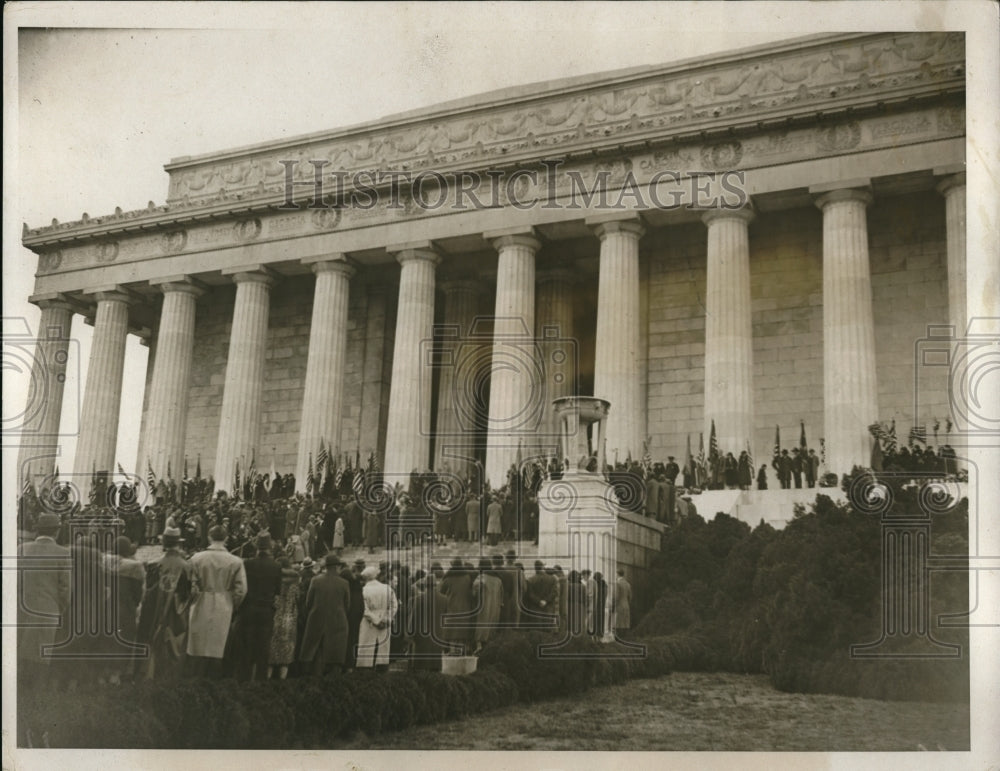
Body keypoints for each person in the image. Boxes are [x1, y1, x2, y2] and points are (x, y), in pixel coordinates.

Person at [17, 513, 70, 692]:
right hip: (48, 609)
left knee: (22, 648)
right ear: (57, 531)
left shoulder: (22, 548)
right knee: (41, 653)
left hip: (22, 607)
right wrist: (59, 608)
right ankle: (37, 696)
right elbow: (65, 589)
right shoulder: (63, 553)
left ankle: (20, 693)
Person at [187, 524, 248, 678]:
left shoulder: (196, 558)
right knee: (218, 645)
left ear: (209, 537)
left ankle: (195, 679)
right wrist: (233, 604)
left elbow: (190, 586)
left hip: (201, 602)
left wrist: (193, 599)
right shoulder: (235, 561)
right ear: (226, 539)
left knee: (198, 645)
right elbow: (241, 590)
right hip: (223, 602)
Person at [137, 526, 197, 680]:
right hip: (175, 613)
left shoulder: (153, 564)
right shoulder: (187, 566)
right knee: (173, 647)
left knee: (152, 643)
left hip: (154, 611)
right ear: (178, 543)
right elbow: (188, 594)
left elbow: (147, 591)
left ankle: (147, 676)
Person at [232, 532, 283, 681]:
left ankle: (243, 681)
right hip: (266, 611)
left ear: (257, 547)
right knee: (263, 649)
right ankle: (260, 683)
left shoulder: (247, 564)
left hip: (248, 609)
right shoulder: (276, 566)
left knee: (246, 648)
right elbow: (278, 592)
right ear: (270, 547)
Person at [299, 554, 352, 676]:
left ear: (326, 567)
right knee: (335, 654)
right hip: (338, 620)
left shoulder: (315, 580)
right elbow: (347, 605)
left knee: (316, 651)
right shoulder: (344, 583)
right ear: (337, 567)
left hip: (317, 619)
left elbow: (308, 602)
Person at [103, 535, 146, 684]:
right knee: (124, 638)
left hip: (105, 605)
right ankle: (117, 673)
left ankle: (104, 672)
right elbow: (138, 594)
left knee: (105, 637)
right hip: (125, 607)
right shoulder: (134, 567)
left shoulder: (104, 561)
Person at [356, 565, 398, 671]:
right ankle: (382, 670)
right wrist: (387, 619)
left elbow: (364, 610)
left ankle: (365, 672)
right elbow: (394, 605)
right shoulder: (387, 588)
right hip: (384, 621)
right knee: (382, 650)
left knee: (367, 649)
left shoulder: (364, 590)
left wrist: (376, 620)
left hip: (369, 623)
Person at [267, 557, 302, 679]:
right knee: (287, 647)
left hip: (275, 615)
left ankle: (268, 678)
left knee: (271, 648)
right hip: (290, 616)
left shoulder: (274, 578)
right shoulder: (296, 580)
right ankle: (283, 680)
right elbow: (298, 598)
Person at [438, 558, 474, 653]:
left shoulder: (448, 578)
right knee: (462, 634)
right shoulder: (467, 577)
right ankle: (463, 654)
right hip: (465, 609)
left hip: (451, 608)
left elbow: (441, 592)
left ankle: (452, 653)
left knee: (451, 634)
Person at [471, 558, 503, 653]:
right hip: (495, 607)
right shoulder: (498, 579)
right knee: (492, 627)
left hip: (483, 606)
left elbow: (474, 593)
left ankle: (479, 646)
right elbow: (501, 595)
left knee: (481, 625)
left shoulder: (481, 577)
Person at [611, 568, 632, 638]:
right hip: (626, 605)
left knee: (617, 624)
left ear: (617, 574)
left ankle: (618, 640)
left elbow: (616, 596)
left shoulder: (617, 583)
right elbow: (630, 597)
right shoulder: (628, 584)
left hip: (619, 606)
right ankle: (625, 639)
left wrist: (613, 605)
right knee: (625, 624)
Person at [566, 570, 587, 637]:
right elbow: (585, 599)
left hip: (570, 606)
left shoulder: (568, 586)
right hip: (580, 607)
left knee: (570, 624)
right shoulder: (583, 586)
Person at [592, 572, 608, 641]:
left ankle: (594, 635)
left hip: (595, 605)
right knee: (601, 619)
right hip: (602, 604)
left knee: (594, 620)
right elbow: (606, 594)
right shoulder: (604, 584)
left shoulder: (594, 584)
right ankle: (600, 636)